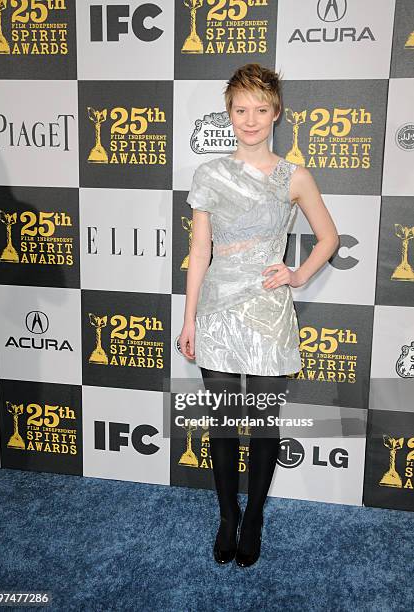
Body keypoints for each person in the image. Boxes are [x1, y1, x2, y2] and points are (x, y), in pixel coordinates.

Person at [179, 63, 339, 568]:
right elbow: (199, 251)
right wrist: (189, 320)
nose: (250, 120)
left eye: (260, 110)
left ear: (276, 113)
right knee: (224, 421)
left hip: (269, 311)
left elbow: (328, 239)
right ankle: (228, 517)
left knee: (263, 421)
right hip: (217, 311)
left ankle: (255, 520)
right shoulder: (209, 173)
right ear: (229, 113)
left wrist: (297, 274)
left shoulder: (295, 176)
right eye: (240, 110)